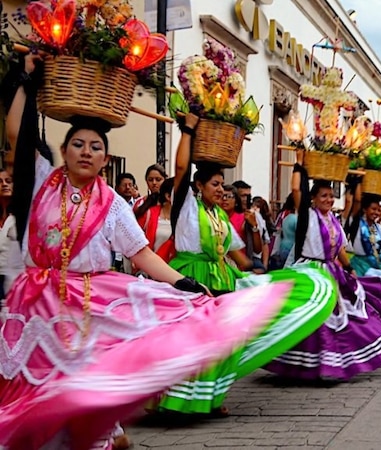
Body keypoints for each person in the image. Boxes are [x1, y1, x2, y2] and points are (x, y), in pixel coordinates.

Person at [0, 56, 335, 448]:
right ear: (64, 149)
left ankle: (103, 434)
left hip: (86, 305)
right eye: (78, 144)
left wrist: (183, 283)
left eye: (95, 147)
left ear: (105, 159)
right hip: (35, 303)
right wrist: (22, 79)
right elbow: (16, 135)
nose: (86, 152)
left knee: (82, 384)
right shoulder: (44, 181)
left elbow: (142, 255)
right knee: (30, 386)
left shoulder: (113, 205)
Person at [155, 114, 338, 415]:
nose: (220, 189)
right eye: (214, 184)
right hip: (190, 276)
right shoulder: (186, 204)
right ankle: (174, 401)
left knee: (221, 343)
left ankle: (210, 399)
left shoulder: (220, 216)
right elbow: (180, 168)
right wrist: (188, 129)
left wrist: (262, 276)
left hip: (223, 278)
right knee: (190, 341)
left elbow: (237, 255)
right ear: (197, 185)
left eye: (221, 184)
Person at [264, 162, 381, 380]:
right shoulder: (307, 215)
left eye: (331, 196)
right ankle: (306, 364)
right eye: (323, 196)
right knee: (313, 316)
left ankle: (331, 362)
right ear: (312, 198)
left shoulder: (333, 219)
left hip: (331, 270)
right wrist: (300, 166)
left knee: (342, 315)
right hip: (310, 269)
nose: (329, 200)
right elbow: (296, 190)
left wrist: (349, 268)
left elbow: (340, 247)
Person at [136, 177, 176, 264]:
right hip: (150, 267)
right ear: (168, 196)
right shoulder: (149, 215)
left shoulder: (185, 218)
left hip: (175, 268)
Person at [0, 167, 22, 299]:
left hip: (15, 279)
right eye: (0, 181)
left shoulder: (21, 216)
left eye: (8, 181)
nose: (4, 184)